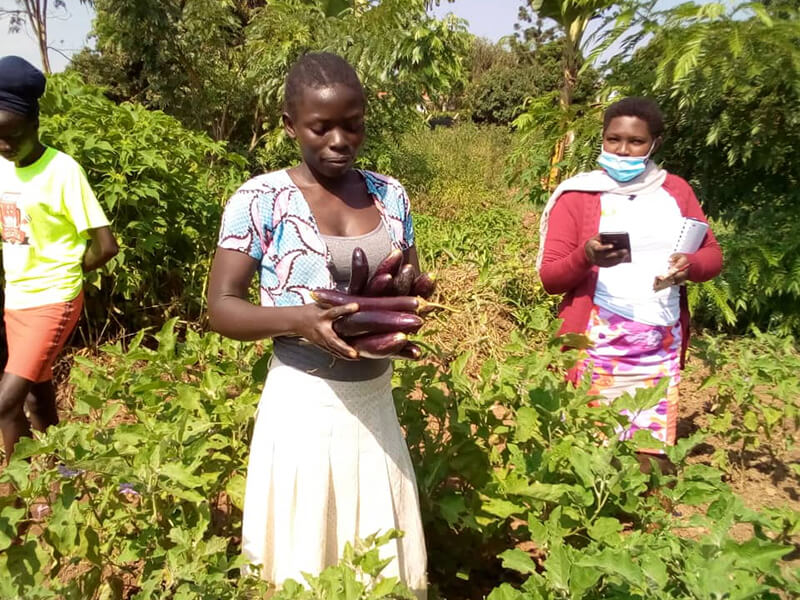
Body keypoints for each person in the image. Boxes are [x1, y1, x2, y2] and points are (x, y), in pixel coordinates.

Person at [207, 53, 427, 596]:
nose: (338, 140)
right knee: (305, 549)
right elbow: (221, 306)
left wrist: (412, 292)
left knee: (375, 541)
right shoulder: (260, 200)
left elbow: (409, 276)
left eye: (351, 124)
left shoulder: (390, 195)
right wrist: (299, 321)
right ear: (290, 125)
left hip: (375, 399)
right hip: (305, 402)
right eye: (320, 126)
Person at [537, 97, 722, 470]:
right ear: (602, 140)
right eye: (612, 139)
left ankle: (639, 517)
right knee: (591, 449)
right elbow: (550, 278)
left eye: (635, 142)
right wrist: (585, 257)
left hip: (659, 341)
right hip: (597, 342)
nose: (622, 150)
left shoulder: (676, 192)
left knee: (647, 449)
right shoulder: (578, 195)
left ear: (655, 143)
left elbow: (713, 255)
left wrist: (691, 266)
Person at [0, 56, 118, 463]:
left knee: (5, 403)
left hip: (53, 298)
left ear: (34, 123)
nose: (4, 147)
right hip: (16, 300)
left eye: (11, 136)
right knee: (37, 398)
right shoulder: (1, 168)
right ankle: (65, 479)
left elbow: (105, 245)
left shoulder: (62, 171)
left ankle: (18, 504)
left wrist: (63, 267)